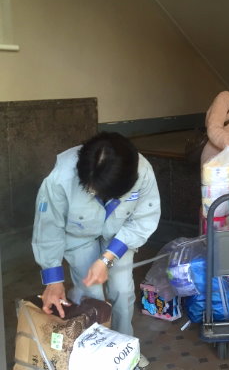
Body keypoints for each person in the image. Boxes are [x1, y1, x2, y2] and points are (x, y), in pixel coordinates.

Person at [31, 132, 161, 369]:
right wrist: (53, 279)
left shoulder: (142, 173)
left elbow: (143, 219)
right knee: (90, 295)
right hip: (78, 235)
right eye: (90, 189)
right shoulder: (61, 177)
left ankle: (124, 350)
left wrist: (107, 258)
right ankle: (96, 355)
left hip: (120, 235)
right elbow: (48, 226)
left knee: (122, 291)